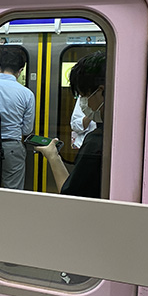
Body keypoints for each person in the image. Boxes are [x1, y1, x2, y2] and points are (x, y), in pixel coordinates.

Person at [36, 51, 105, 198]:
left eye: (83, 95)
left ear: (100, 92)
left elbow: (71, 194)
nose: (83, 102)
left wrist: (53, 156)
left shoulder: (96, 142)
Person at [0, 48, 35, 189]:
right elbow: (27, 129)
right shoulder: (27, 94)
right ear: (20, 71)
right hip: (13, 147)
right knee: (13, 193)